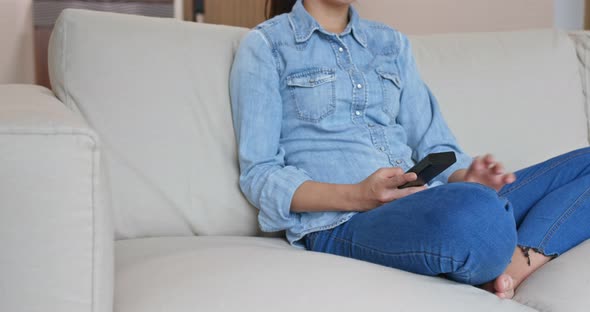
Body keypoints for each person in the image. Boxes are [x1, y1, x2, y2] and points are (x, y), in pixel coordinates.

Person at [229, 0, 590, 299]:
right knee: (478, 212)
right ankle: (496, 237)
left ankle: (516, 262)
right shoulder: (267, 45)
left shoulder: (390, 44)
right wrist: (359, 196)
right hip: (346, 221)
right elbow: (261, 175)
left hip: (432, 205)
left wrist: (470, 176)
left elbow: (439, 146)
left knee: (562, 172)